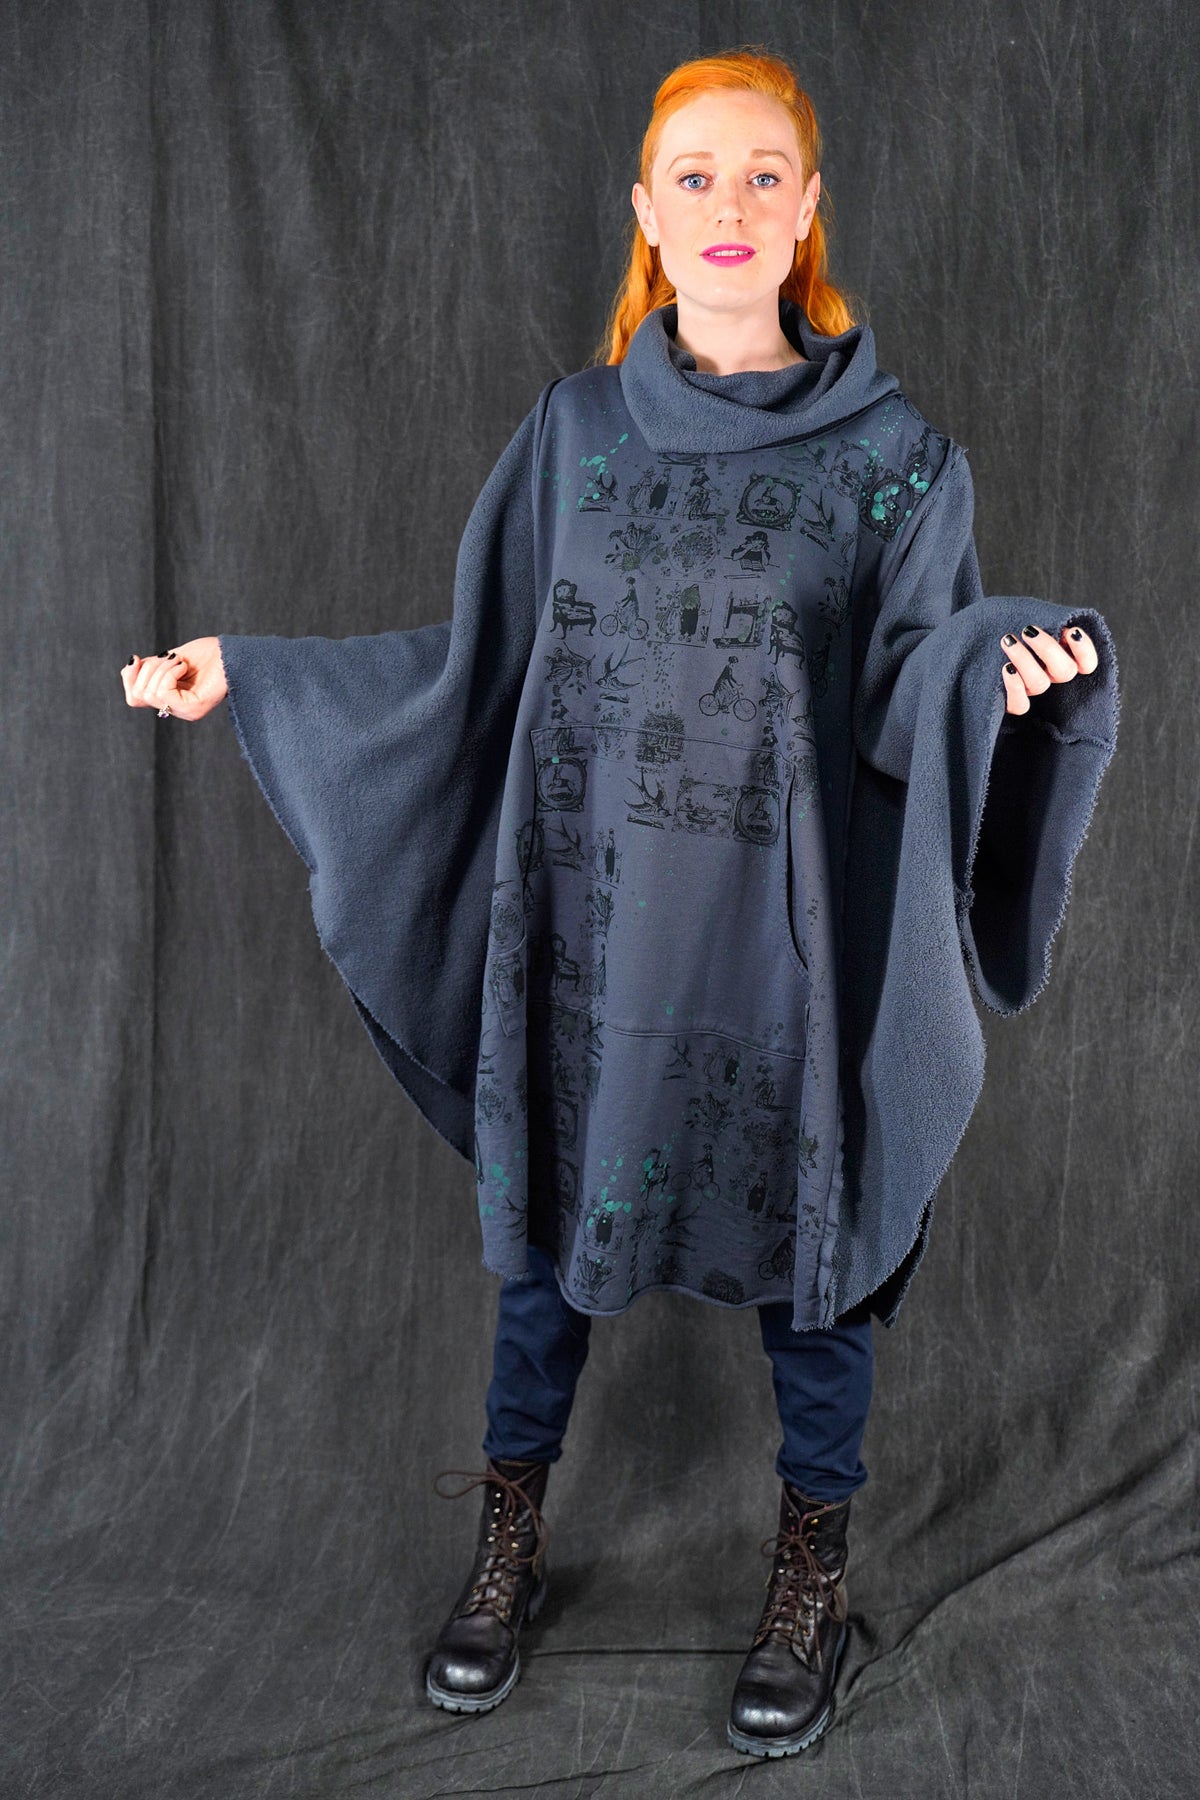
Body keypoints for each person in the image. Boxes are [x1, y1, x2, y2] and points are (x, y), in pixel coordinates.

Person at [120, 47, 1114, 1761]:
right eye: (695, 177)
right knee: (545, 1251)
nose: (730, 205)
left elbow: (901, 694)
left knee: (815, 1261)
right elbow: (482, 665)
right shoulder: (572, 437)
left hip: (785, 945)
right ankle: (509, 1538)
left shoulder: (898, 462)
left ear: (808, 210)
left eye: (762, 175)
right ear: (646, 214)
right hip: (590, 933)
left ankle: (812, 1569)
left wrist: (995, 670)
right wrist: (258, 674)